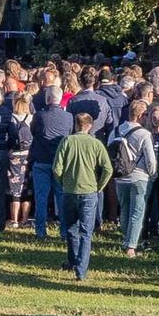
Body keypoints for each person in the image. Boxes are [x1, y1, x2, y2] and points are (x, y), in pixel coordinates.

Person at [52, 106, 112, 282]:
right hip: (89, 191)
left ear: (75, 125)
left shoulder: (67, 141)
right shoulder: (96, 143)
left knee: (71, 229)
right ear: (90, 126)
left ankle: (72, 260)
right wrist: (99, 186)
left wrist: (64, 182)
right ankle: (81, 269)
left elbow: (57, 168)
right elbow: (108, 168)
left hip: (69, 190)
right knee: (86, 232)